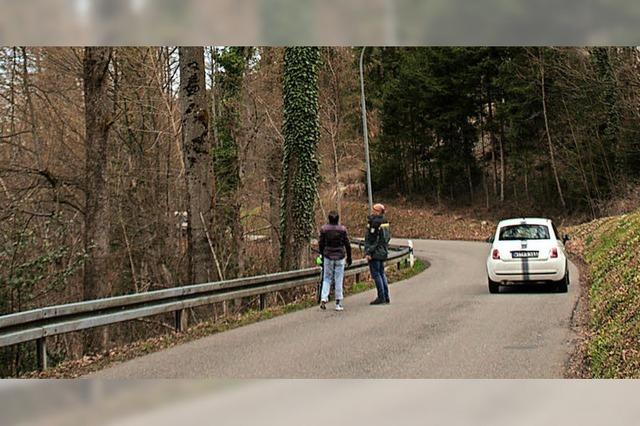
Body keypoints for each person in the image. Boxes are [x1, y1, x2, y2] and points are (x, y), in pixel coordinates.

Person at [318, 211, 352, 311]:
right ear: (338, 219)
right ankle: (338, 302)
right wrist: (349, 257)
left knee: (327, 278)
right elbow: (347, 244)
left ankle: (323, 298)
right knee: (338, 279)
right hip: (340, 256)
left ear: (329, 219)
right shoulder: (342, 229)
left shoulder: (324, 229)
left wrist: (321, 253)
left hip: (328, 256)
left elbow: (321, 243)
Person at [365, 203, 391, 305]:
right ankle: (386, 296)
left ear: (378, 211)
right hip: (383, 251)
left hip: (375, 252)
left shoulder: (375, 223)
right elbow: (387, 237)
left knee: (376, 274)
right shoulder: (385, 222)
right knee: (381, 273)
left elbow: (373, 239)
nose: (372, 211)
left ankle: (381, 297)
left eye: (374, 209)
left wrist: (369, 252)